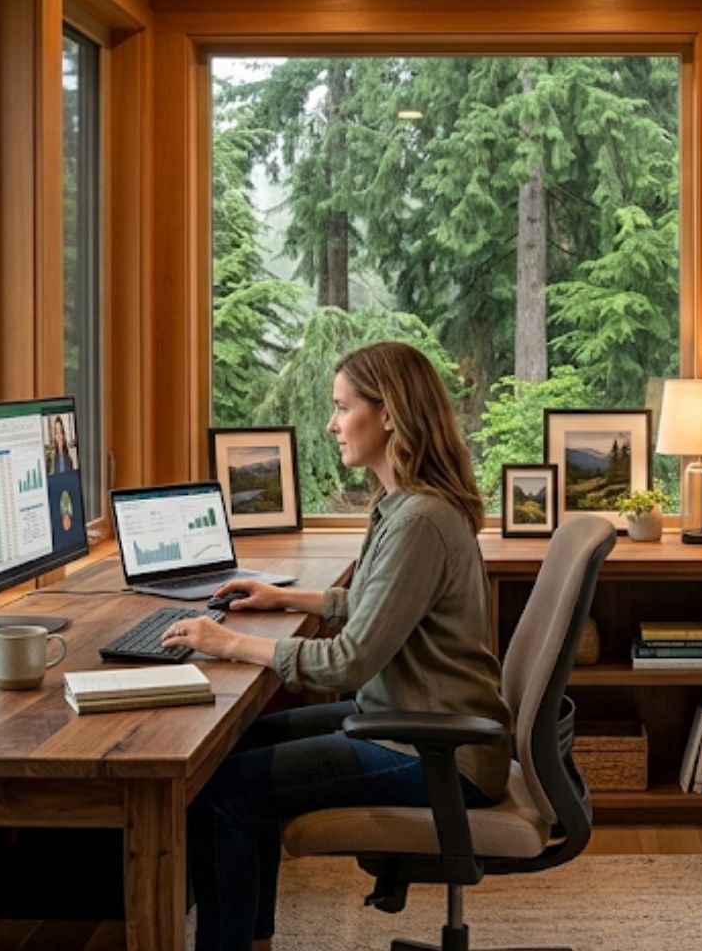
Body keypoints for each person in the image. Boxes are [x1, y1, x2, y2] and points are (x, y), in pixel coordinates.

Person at [162, 342, 510, 951]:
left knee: (221, 795)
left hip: (435, 751)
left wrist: (229, 641)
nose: (330, 423)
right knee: (233, 750)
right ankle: (254, 939)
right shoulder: (406, 506)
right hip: (421, 723)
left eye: (342, 407)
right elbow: (383, 609)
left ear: (389, 416)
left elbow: (349, 660)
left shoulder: (418, 521)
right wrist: (288, 598)